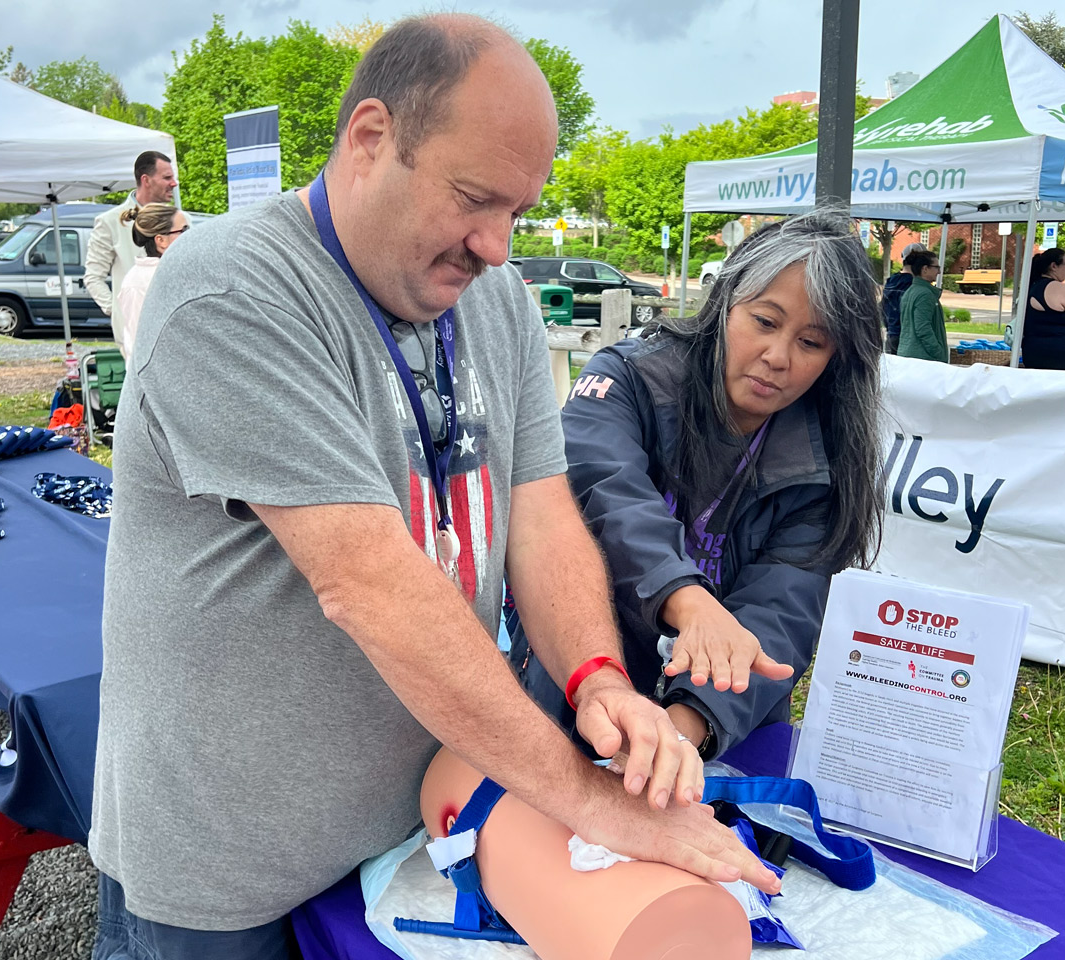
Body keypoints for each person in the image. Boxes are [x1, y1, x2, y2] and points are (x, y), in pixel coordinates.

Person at [89, 16, 776, 960]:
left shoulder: (494, 300)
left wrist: (596, 676)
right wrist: (584, 802)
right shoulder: (233, 292)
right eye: (474, 199)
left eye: (518, 212)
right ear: (370, 139)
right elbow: (365, 580)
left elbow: (539, 511)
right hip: (230, 870)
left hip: (421, 823)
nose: (497, 245)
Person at [512, 211, 885, 762]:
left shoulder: (825, 462)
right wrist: (689, 602)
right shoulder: (627, 379)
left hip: (714, 727)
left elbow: (781, 612)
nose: (778, 358)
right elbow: (604, 496)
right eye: (763, 321)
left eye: (810, 342)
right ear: (726, 301)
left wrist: (679, 736)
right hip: (580, 677)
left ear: (837, 359)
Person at [83, 150, 177, 327]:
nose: (174, 183)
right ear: (146, 180)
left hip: (174, 324)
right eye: (167, 178)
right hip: (134, 330)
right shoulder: (110, 221)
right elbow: (93, 277)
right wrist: (119, 312)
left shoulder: (180, 219)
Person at [111, 203, 188, 364]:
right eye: (184, 231)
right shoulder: (138, 283)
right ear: (161, 240)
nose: (190, 235)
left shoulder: (178, 271)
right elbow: (138, 344)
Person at [1022, 248, 1065, 370]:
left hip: (1032, 350)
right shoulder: (1062, 290)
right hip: (1059, 352)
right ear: (1054, 266)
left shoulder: (1030, 288)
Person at [896, 248, 948, 362]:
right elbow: (923, 328)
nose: (939, 272)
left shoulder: (911, 291)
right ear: (925, 269)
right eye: (936, 267)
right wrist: (938, 352)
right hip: (922, 358)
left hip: (909, 354)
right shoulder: (925, 294)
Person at [880, 241, 926, 355]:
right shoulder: (912, 285)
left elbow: (882, 309)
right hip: (907, 339)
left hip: (891, 334)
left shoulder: (892, 281)